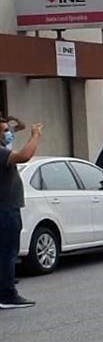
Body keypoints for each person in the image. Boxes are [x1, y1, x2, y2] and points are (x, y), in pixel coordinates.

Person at [0, 118, 41, 309]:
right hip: (5, 209)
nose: (7, 134)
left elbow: (20, 126)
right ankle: (7, 295)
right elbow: (25, 156)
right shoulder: (1, 153)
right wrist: (35, 135)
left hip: (7, 208)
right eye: (4, 131)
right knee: (8, 251)